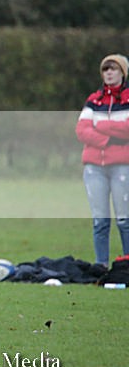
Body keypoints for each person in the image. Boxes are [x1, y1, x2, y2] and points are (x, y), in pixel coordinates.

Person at [75, 54, 129, 267]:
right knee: (100, 221)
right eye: (105, 69)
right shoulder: (93, 100)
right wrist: (111, 138)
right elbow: (81, 130)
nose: (108, 73)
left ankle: (126, 264)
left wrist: (100, 127)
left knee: (124, 220)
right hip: (94, 168)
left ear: (122, 73)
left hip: (122, 166)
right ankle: (101, 266)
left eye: (113, 69)